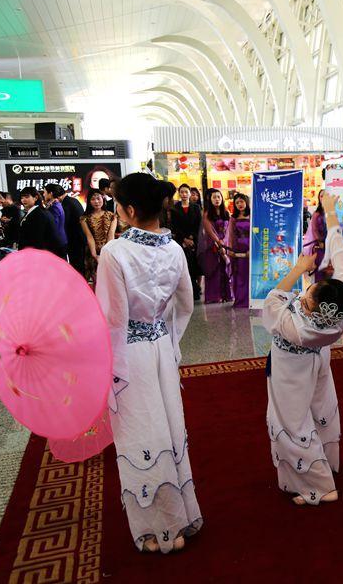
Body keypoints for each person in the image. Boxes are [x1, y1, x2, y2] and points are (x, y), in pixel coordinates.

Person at [95, 172, 201, 554]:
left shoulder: (114, 252)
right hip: (161, 349)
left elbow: (112, 319)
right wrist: (169, 340)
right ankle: (179, 517)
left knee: (141, 434)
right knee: (168, 428)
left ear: (128, 210)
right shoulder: (174, 250)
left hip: (129, 355)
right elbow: (185, 305)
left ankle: (160, 527)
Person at [263, 191, 343, 506]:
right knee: (320, 407)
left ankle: (320, 486)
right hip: (319, 360)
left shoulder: (297, 328)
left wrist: (298, 269)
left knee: (292, 421)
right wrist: (330, 211)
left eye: (307, 297)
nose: (304, 294)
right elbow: (340, 250)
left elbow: (272, 300)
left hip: (291, 369)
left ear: (314, 310)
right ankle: (326, 461)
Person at [170, 184, 203, 301]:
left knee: (194, 266)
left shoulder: (196, 207)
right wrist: (184, 239)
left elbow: (199, 224)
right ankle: (186, 292)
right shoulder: (175, 208)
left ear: (190, 193)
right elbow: (174, 226)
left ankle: (196, 290)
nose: (184, 194)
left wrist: (192, 238)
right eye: (182, 192)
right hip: (181, 241)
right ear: (179, 193)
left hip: (194, 241)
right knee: (184, 267)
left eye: (186, 192)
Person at [199, 189, 232, 303]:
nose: (217, 199)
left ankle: (226, 295)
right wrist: (218, 242)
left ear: (222, 199)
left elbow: (229, 229)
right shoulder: (207, 214)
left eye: (219, 197)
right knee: (214, 271)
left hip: (225, 245)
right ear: (210, 200)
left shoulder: (226, 213)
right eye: (214, 197)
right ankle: (214, 296)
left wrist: (225, 242)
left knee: (225, 270)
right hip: (212, 246)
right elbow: (209, 230)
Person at [80, 188, 117, 285]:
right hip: (92, 251)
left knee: (109, 281)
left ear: (103, 199)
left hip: (108, 250)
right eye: (93, 199)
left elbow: (111, 235)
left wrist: (106, 253)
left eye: (98, 198)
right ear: (89, 201)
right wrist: (95, 255)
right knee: (96, 281)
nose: (96, 201)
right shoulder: (84, 218)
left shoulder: (112, 216)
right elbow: (89, 237)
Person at [16, 187, 63, 256]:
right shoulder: (35, 211)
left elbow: (38, 237)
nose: (23, 200)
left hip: (37, 254)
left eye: (27, 197)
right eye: (22, 198)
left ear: (35, 198)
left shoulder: (39, 214)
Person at [226, 193, 251, 308]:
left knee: (250, 274)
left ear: (246, 202)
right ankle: (241, 300)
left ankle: (251, 299)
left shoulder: (252, 215)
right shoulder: (233, 218)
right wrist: (231, 250)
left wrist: (252, 249)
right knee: (240, 274)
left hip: (250, 247)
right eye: (237, 203)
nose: (239, 204)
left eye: (241, 201)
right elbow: (231, 235)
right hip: (238, 249)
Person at [59, 187, 86, 274]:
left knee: (77, 267)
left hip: (75, 240)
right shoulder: (72, 200)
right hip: (79, 238)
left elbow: (66, 223)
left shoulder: (66, 203)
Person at [301, 202, 328, 282]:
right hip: (319, 243)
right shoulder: (316, 214)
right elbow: (314, 229)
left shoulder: (328, 213)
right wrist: (319, 240)